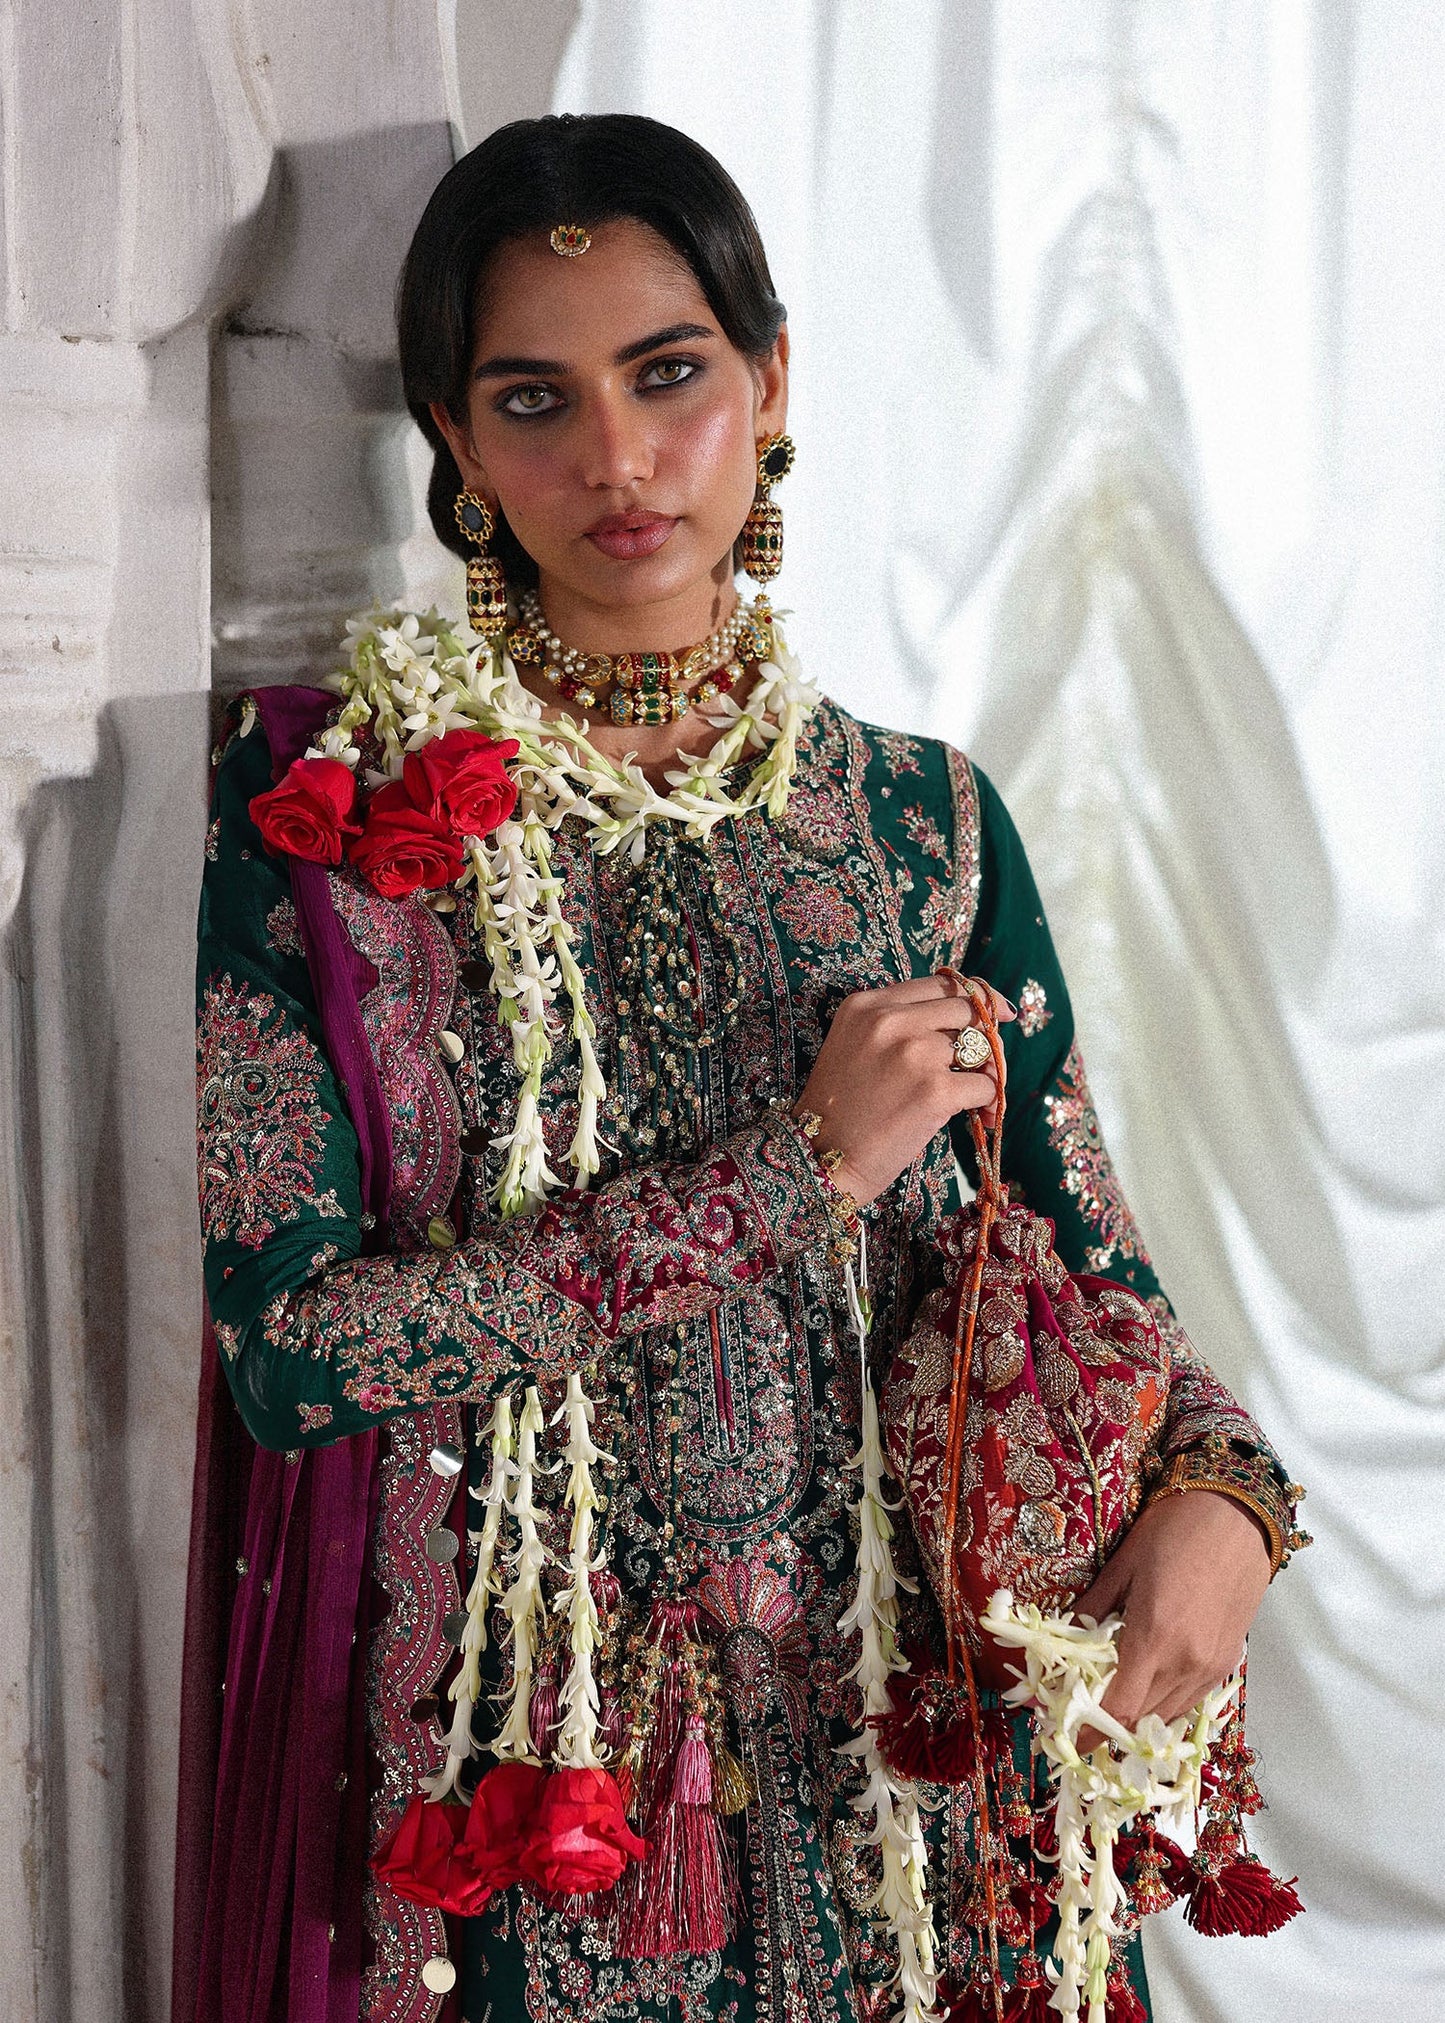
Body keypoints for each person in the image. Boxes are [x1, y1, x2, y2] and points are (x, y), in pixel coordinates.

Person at [179, 113, 1305, 2023]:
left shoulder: (921, 823)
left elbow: (1092, 1272)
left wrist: (1230, 1499)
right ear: (454, 444)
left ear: (771, 385)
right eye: (532, 399)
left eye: (669, 374)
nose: (616, 460)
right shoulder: (331, 825)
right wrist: (797, 1171)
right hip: (536, 1796)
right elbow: (299, 1355)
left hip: (912, 1786)